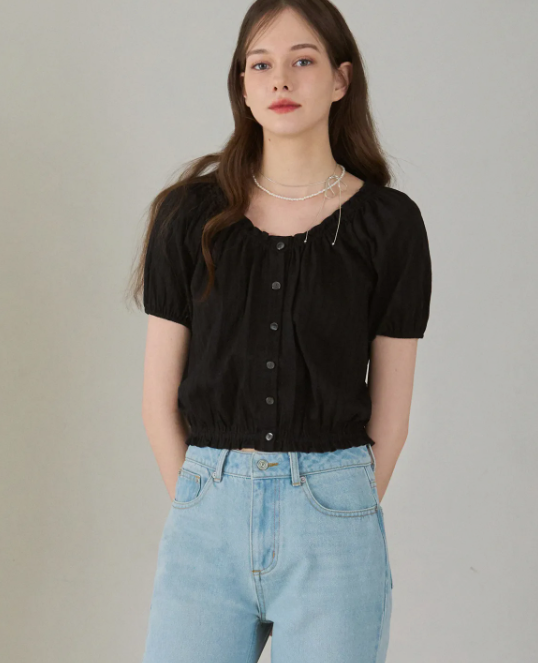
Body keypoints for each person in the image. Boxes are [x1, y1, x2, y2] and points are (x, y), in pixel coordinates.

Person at [130, 1, 432, 661]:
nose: (281, 81)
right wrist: (205, 503)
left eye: (303, 61)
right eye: (260, 65)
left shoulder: (389, 224)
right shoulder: (187, 216)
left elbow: (392, 414)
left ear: (341, 80)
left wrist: (336, 509)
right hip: (207, 519)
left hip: (333, 521)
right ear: (242, 85)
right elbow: (157, 400)